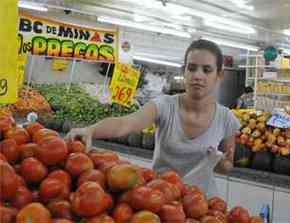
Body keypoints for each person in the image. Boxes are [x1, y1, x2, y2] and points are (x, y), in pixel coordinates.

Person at [66, 39, 241, 197]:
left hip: (202, 204)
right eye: (192, 68)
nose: (198, 75)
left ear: (219, 75)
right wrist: (91, 130)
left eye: (207, 70)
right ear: (184, 71)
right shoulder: (164, 106)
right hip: (160, 199)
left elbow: (226, 166)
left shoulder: (226, 119)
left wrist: (220, 163)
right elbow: (126, 123)